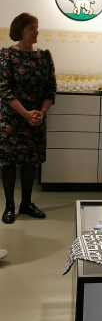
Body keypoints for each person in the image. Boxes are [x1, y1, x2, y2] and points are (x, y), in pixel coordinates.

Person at [0, 13, 56, 224]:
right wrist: (25, 113)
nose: (36, 31)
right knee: (8, 162)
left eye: (37, 27)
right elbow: (4, 90)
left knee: (30, 162)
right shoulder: (6, 55)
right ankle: (9, 205)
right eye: (31, 28)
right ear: (20, 30)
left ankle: (26, 203)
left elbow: (51, 89)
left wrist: (42, 113)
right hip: (12, 119)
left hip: (36, 118)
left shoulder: (44, 56)